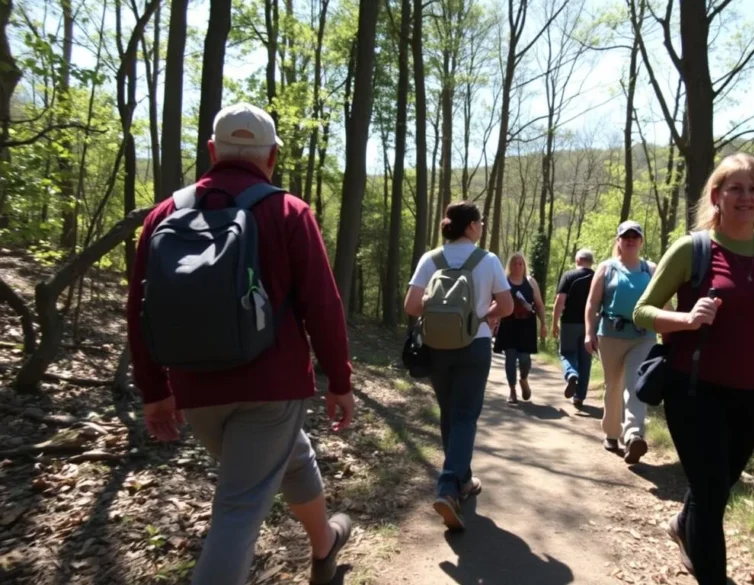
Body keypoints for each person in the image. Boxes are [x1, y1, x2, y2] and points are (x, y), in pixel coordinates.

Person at [126, 103, 354, 585]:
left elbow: (139, 310)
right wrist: (340, 380)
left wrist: (155, 391)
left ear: (212, 151)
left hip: (196, 390)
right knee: (238, 510)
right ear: (271, 157)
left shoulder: (163, 215)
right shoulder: (289, 211)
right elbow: (323, 304)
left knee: (291, 453)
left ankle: (325, 547)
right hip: (273, 388)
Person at [633, 153, 754, 585]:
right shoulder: (694, 249)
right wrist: (686, 319)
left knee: (719, 487)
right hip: (694, 388)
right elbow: (642, 312)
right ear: (716, 196)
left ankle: (683, 526)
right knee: (710, 496)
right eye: (735, 188)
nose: (746, 197)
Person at [404, 201, 513, 531]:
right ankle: (448, 487)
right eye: (479, 221)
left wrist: (435, 306)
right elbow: (506, 306)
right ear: (469, 226)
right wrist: (483, 314)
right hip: (475, 344)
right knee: (465, 415)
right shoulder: (488, 260)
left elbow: (411, 305)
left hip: (437, 346)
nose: (482, 226)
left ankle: (463, 480)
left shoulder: (430, 259)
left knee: (450, 413)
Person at [584, 220, 657, 464]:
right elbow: (593, 304)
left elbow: (663, 303)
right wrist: (589, 332)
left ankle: (634, 435)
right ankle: (611, 433)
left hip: (643, 336)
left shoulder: (651, 269)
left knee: (635, 385)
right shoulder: (607, 268)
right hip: (610, 335)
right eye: (626, 236)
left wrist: (672, 331)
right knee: (613, 386)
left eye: (635, 236)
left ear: (641, 241)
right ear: (618, 240)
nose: (630, 239)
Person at [493, 252, 547, 404]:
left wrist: (543, 323)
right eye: (515, 263)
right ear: (510, 266)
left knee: (524, 358)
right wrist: (493, 322)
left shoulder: (530, 282)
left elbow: (540, 305)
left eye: (521, 263)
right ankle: (512, 390)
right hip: (508, 324)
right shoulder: (504, 281)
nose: (518, 266)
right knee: (510, 358)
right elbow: (496, 303)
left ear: (524, 266)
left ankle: (523, 378)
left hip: (526, 326)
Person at [552, 249, 595, 409]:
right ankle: (579, 397)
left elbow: (560, 300)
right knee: (586, 359)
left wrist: (554, 322)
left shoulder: (569, 276)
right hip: (590, 324)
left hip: (569, 322)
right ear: (591, 262)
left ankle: (571, 373)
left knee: (567, 353)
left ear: (577, 260)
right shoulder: (597, 277)